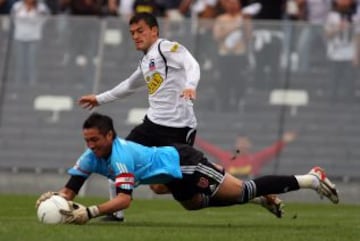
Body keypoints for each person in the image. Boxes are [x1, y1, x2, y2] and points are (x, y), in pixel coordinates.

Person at [35, 113, 339, 225]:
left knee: (243, 189)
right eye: (87, 140)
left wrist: (88, 212)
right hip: (169, 174)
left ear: (110, 136)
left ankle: (310, 179)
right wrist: (58, 200)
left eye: (95, 140)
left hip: (185, 163)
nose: (90, 146)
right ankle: (257, 198)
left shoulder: (119, 156)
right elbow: (70, 189)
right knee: (193, 206)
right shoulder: (90, 156)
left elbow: (125, 200)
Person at [78, 12, 200, 220]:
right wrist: (99, 99)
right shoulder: (146, 62)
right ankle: (116, 214)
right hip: (152, 125)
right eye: (132, 32)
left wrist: (190, 86)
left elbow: (192, 64)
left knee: (165, 187)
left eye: (140, 31)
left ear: (154, 31)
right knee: (117, 161)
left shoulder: (165, 48)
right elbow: (128, 86)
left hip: (178, 128)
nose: (135, 36)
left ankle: (234, 188)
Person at [195, 131, 297, 177]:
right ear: (235, 145)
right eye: (240, 142)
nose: (242, 145)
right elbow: (209, 148)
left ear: (250, 145)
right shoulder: (227, 157)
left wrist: (284, 141)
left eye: (245, 143)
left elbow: (271, 151)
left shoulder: (255, 159)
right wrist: (194, 138)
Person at [11, 0, 49, 85]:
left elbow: (45, 19)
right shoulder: (17, 6)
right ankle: (18, 83)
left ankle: (32, 84)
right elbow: (12, 18)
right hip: (19, 37)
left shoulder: (41, 7)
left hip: (34, 38)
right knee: (19, 63)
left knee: (32, 63)